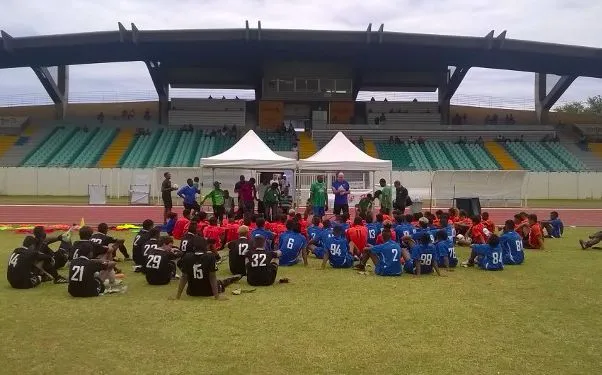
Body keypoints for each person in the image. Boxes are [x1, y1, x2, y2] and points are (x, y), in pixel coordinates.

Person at [174, 246, 242, 300]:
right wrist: (217, 297)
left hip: (191, 291)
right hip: (208, 291)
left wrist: (177, 296)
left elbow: (183, 277)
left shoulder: (187, 257)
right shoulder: (210, 257)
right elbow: (212, 277)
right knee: (220, 282)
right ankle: (230, 280)